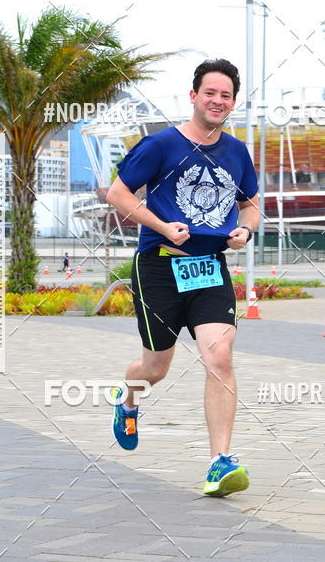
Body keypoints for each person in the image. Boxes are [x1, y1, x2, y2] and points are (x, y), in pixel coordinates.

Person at [106, 58, 259, 497]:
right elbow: (118, 193)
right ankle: (128, 398)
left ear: (232, 103)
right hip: (159, 266)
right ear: (193, 96)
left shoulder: (235, 152)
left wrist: (245, 230)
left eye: (226, 95)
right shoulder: (160, 145)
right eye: (210, 92)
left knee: (220, 357)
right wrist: (160, 226)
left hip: (209, 267)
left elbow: (250, 202)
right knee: (156, 367)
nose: (217, 100)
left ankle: (219, 462)